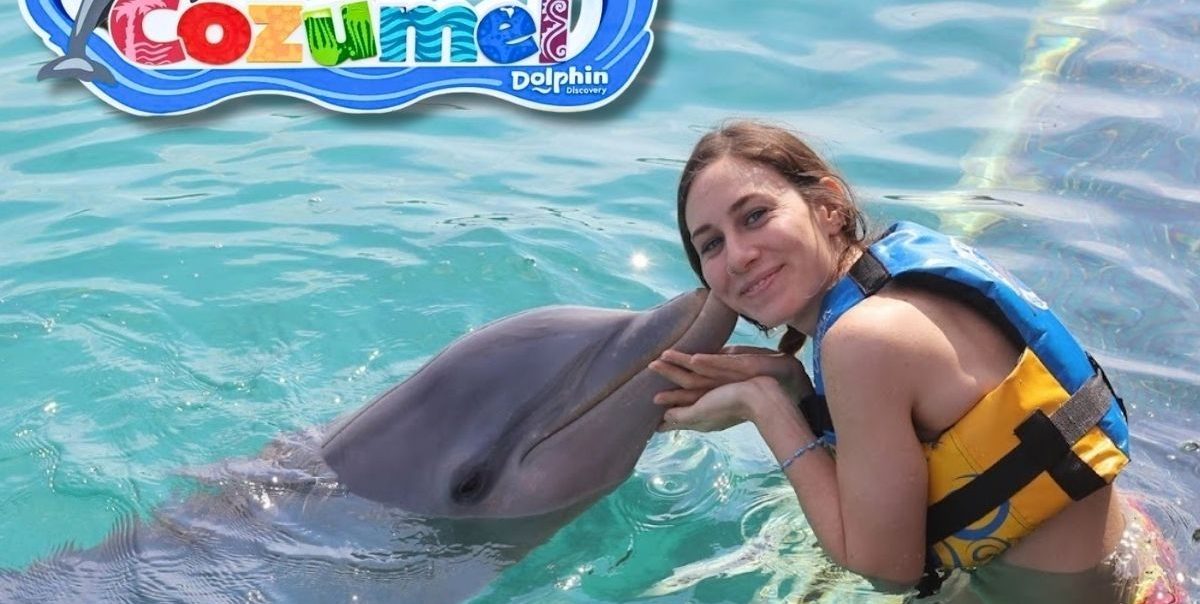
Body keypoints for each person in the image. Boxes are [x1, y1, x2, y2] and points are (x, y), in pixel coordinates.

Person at [648, 120, 1181, 603]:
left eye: (756, 215)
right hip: (1131, 564)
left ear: (828, 206)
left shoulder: (862, 339)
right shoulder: (886, 283)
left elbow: (886, 570)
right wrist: (791, 384)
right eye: (712, 244)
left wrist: (763, 407)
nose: (739, 254)